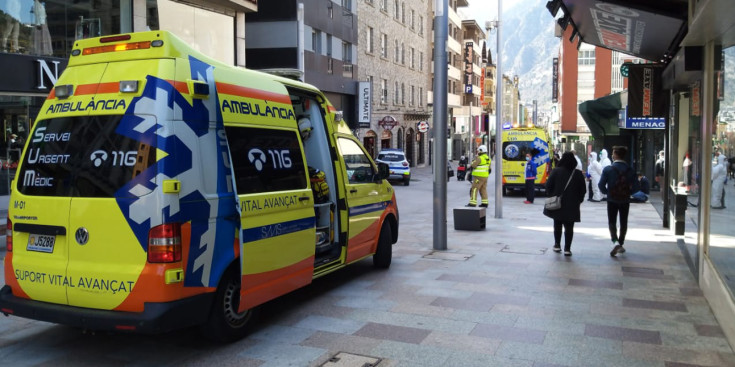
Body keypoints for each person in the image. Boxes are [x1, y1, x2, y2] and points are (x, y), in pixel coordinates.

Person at [543, 152, 586, 256]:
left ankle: (557, 245)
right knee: (569, 227)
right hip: (572, 205)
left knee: (557, 224)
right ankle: (567, 248)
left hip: (558, 203)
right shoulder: (578, 174)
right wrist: (578, 200)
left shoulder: (556, 171)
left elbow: (548, 186)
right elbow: (583, 190)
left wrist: (552, 195)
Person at [598, 146, 639, 257]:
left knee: (612, 221)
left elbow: (601, 185)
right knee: (623, 221)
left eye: (613, 153)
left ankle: (615, 241)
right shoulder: (630, 170)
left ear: (615, 155)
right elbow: (636, 187)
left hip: (612, 199)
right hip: (625, 199)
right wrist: (628, 193)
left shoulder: (608, 169)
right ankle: (621, 243)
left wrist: (608, 193)